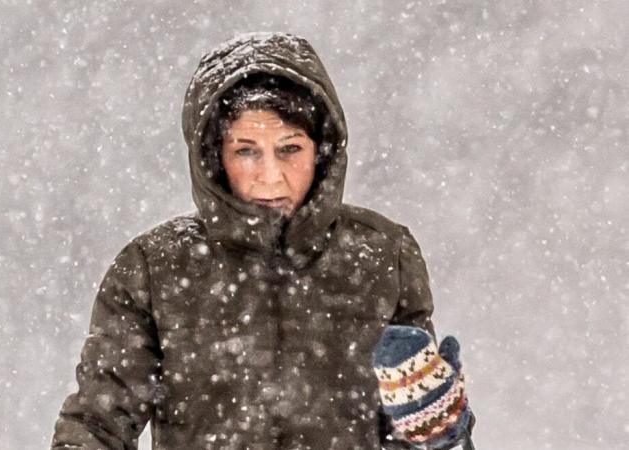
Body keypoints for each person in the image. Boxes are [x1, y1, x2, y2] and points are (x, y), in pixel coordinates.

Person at [51, 31, 473, 450]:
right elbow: (97, 424)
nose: (270, 176)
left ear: (322, 150)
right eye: (247, 151)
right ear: (214, 155)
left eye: (290, 148)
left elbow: (417, 432)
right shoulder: (154, 267)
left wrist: (440, 436)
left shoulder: (382, 256)